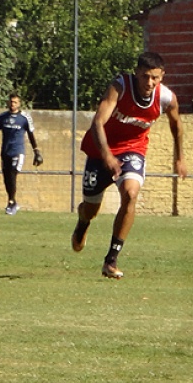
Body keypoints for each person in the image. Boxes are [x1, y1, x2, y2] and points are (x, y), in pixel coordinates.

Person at [71, 51, 186, 279]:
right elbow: (98, 123)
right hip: (100, 151)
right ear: (136, 73)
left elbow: (177, 125)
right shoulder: (120, 86)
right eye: (145, 76)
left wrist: (180, 157)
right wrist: (106, 156)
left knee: (131, 193)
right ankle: (83, 220)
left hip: (133, 149)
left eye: (155, 77)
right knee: (91, 209)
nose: (150, 82)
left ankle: (111, 260)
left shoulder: (166, 98)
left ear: (162, 76)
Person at [0, 93, 42, 215]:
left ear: (19, 104)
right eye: (11, 102)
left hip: (18, 152)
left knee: (13, 174)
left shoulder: (25, 118)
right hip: (5, 152)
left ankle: (11, 202)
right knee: (7, 178)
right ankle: (12, 201)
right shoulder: (2, 117)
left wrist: (37, 152)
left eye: (15, 102)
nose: (12, 104)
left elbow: (31, 135)